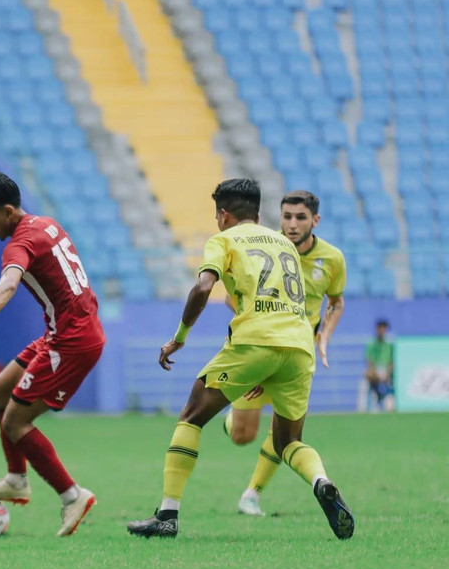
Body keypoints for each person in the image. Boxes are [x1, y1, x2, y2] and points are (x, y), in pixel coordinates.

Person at [127, 179, 354, 541]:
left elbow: (203, 288)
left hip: (255, 342)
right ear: (261, 214)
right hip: (298, 348)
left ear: (222, 215)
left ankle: (167, 514)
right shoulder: (284, 244)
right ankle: (321, 481)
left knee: (192, 416)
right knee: (288, 442)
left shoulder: (223, 240)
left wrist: (179, 339)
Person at [0, 172, 105, 537]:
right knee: (1, 390)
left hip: (72, 341)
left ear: (7, 211)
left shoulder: (19, 243)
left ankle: (72, 495)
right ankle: (17, 479)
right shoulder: (46, 224)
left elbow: (7, 287)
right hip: (62, 332)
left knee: (15, 423)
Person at [225, 190, 346, 517]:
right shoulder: (263, 249)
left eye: (300, 218)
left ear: (315, 221)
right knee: (241, 435)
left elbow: (335, 302)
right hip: (262, 347)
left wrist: (324, 338)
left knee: (285, 433)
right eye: (287, 217)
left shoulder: (332, 259)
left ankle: (251, 494)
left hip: (299, 354)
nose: (292, 225)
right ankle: (231, 422)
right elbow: (229, 296)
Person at [361, 320, 395, 411]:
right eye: (380, 328)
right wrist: (374, 373)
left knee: (391, 383)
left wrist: (388, 374)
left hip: (386, 371)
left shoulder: (390, 345)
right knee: (365, 379)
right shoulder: (371, 344)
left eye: (383, 329)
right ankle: (363, 408)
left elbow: (392, 362)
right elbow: (369, 362)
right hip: (375, 371)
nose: (381, 331)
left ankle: (387, 402)